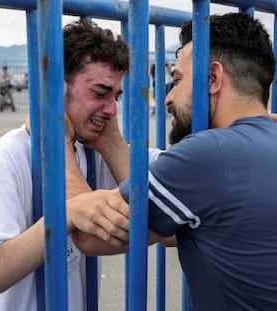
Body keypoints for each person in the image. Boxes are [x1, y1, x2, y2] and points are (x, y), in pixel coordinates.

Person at [0, 20, 160, 310]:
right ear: (56, 89)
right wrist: (65, 215)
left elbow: (164, 213)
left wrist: (112, 143)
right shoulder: (8, 154)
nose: (112, 110)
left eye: (116, 97)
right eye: (100, 93)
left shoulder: (93, 151)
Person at [115, 13, 277, 309]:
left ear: (212, 78)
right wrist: (107, 142)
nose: (168, 98)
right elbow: (171, 230)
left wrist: (57, 138)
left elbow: (90, 238)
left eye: (176, 81)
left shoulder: (210, 153)